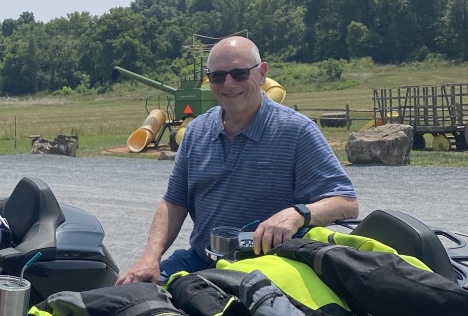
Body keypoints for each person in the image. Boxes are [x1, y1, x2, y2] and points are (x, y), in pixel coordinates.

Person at [118, 36, 358, 283]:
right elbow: (174, 203)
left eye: (239, 74)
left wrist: (295, 215)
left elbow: (345, 201)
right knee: (130, 295)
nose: (229, 84)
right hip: (202, 259)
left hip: (268, 268)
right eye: (218, 76)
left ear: (262, 73)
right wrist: (150, 257)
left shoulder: (297, 132)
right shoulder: (197, 131)